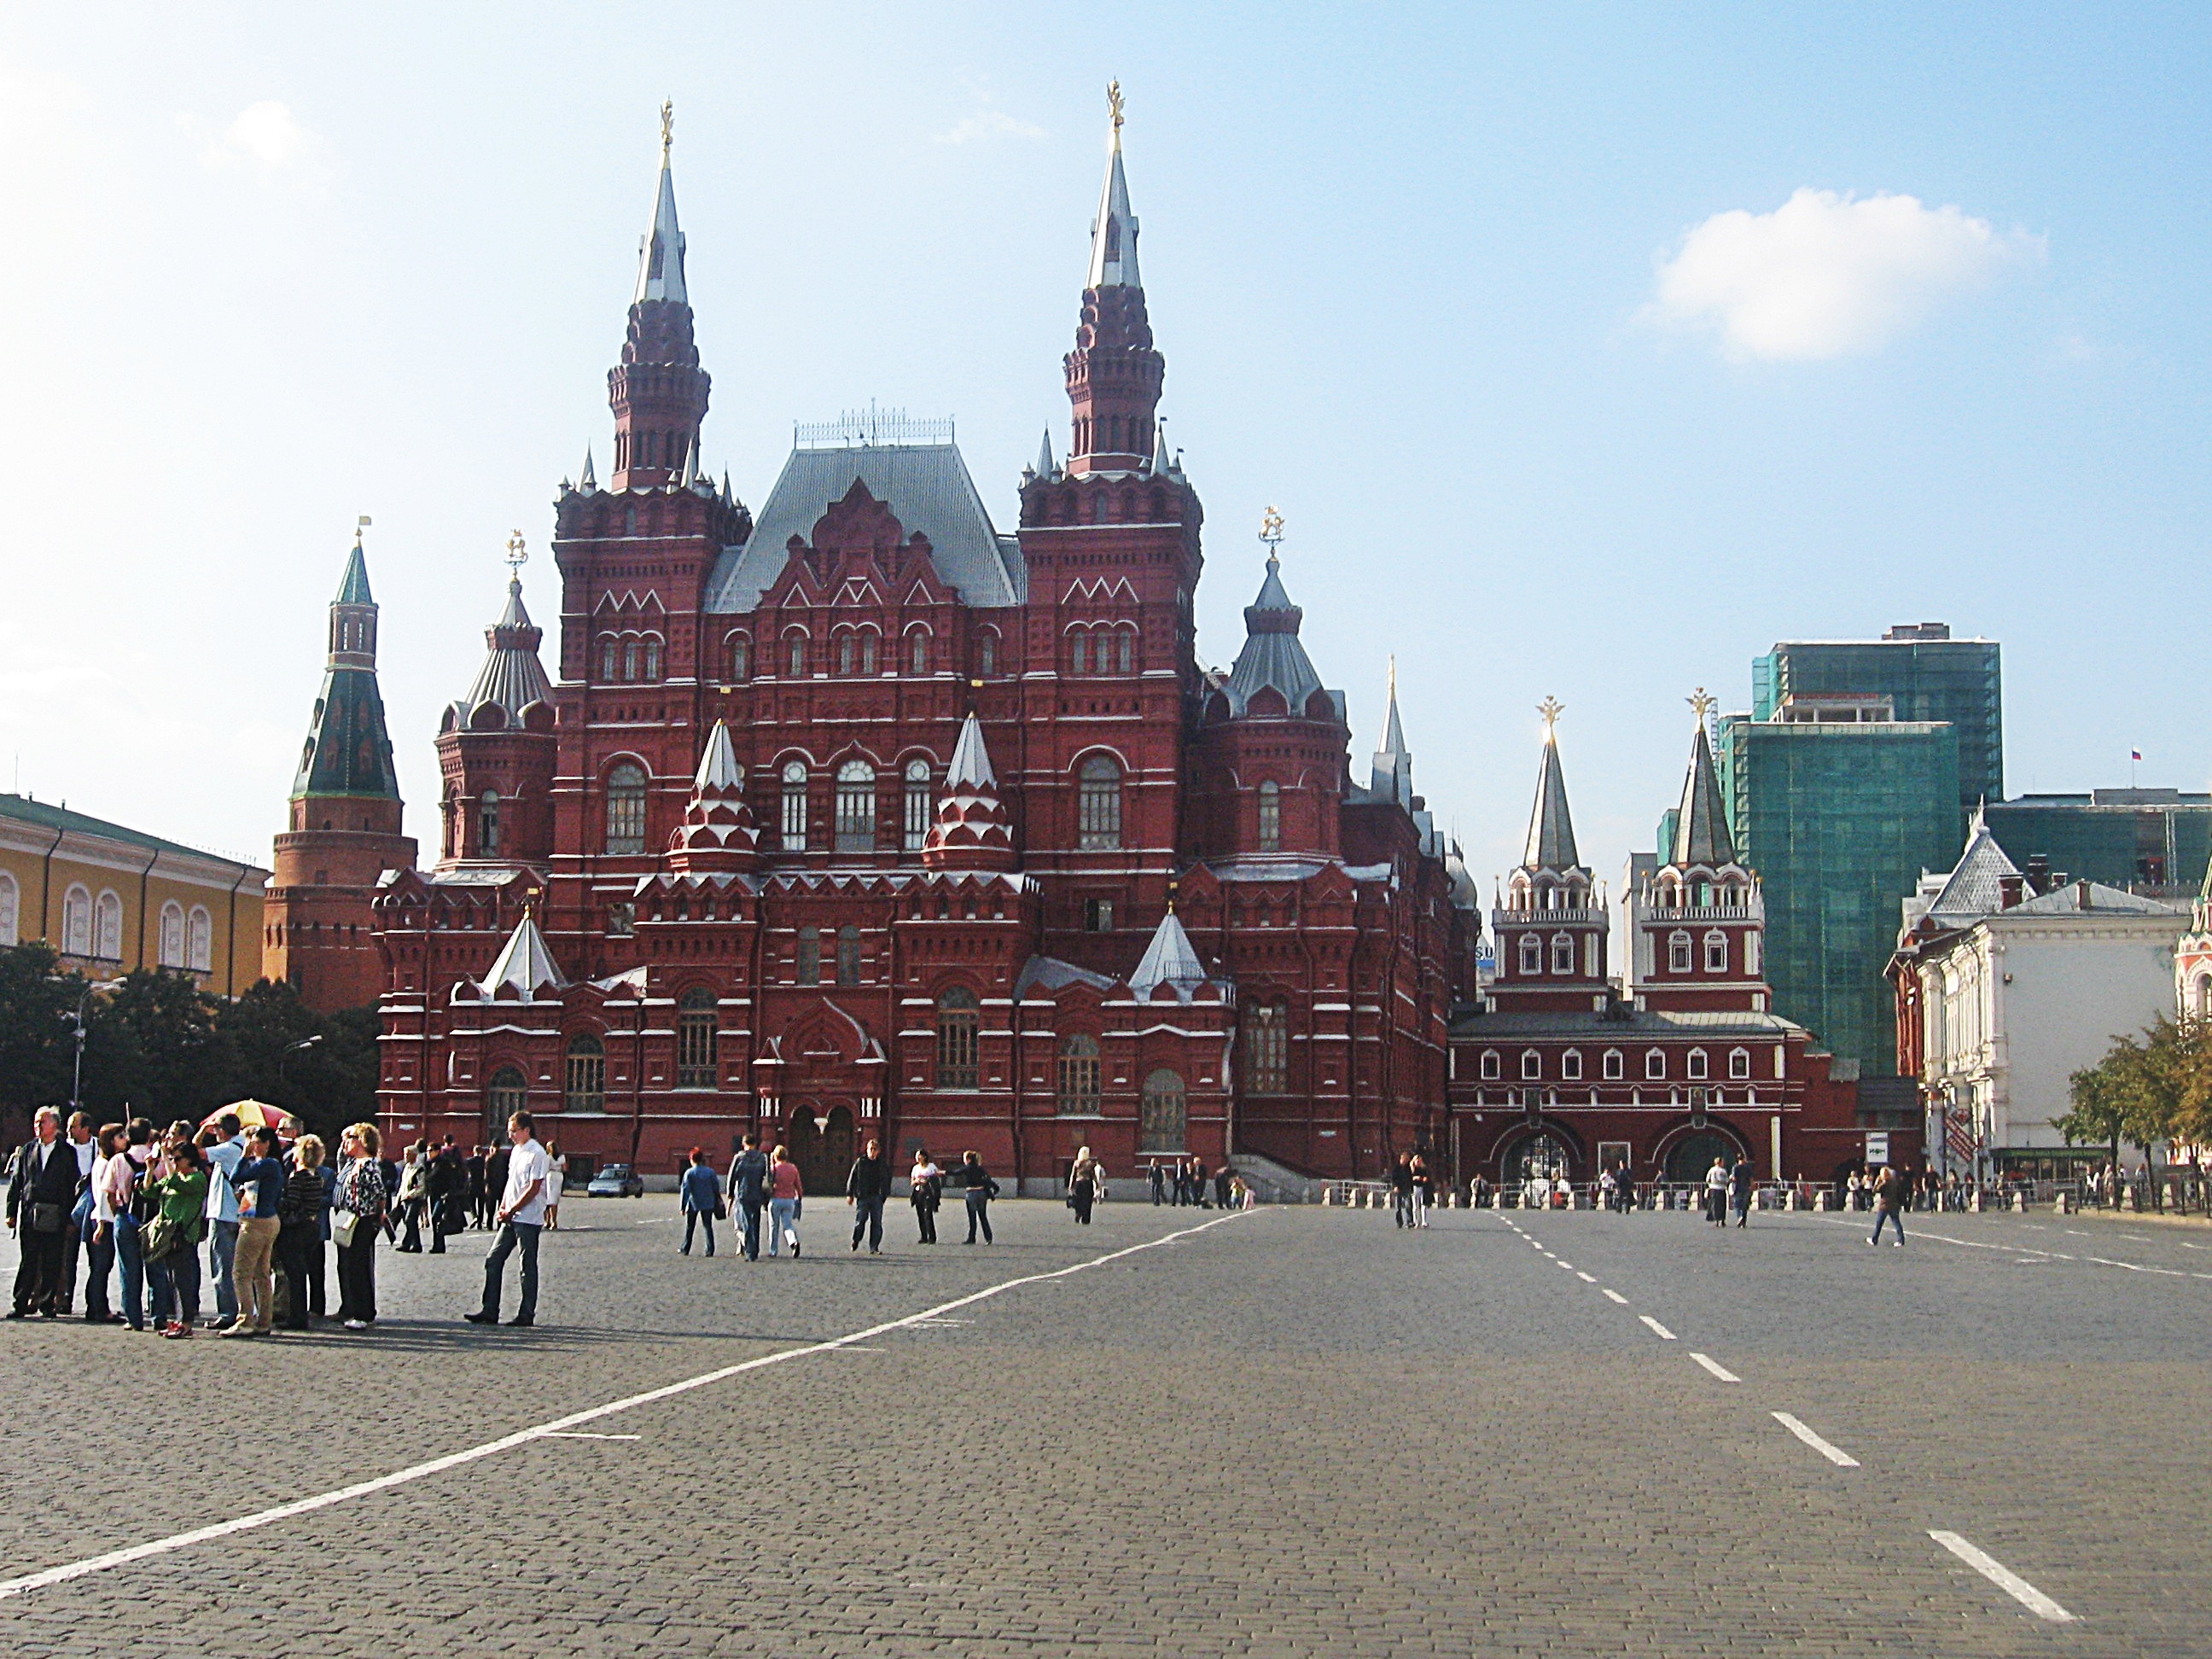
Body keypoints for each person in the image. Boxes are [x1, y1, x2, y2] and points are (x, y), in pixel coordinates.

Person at [468, 1114, 551, 1326]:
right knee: (493, 1260)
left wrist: (512, 1209)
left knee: (527, 1266)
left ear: (527, 1130)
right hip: (511, 1216)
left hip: (529, 1218)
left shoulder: (537, 1153)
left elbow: (534, 1188)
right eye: (509, 1130)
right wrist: (504, 1206)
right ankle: (490, 1310)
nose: (510, 1135)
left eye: (514, 1130)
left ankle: (526, 1314)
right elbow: (511, 1182)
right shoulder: (516, 1151)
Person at [7, 1108, 79, 1318]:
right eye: (36, 1122)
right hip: (30, 1212)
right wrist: (11, 1211)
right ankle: (20, 1302)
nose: (37, 1126)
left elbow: (71, 1186)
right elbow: (17, 1182)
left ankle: (47, 1304)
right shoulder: (27, 1150)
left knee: (52, 1260)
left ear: (54, 1125)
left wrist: (69, 1217)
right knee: (28, 1260)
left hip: (56, 1213)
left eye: (42, 1122)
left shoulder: (66, 1152)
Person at [220, 1126, 284, 1337]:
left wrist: (243, 1156)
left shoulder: (266, 1164)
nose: (253, 1146)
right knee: (261, 1274)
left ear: (266, 1144)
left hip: (256, 1222)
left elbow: (236, 1176)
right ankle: (264, 1321)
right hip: (268, 1219)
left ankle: (245, 1320)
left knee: (241, 1273)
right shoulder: (274, 1165)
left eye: (257, 1142)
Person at [144, 1133, 209, 1340]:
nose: (173, 1162)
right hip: (166, 1234)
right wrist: (149, 1169)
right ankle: (180, 1319)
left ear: (189, 1159)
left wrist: (165, 1157)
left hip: (183, 1236)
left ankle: (187, 1322)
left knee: (183, 1280)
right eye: (173, 1159)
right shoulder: (173, 1179)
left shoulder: (196, 1180)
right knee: (172, 1280)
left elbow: (174, 1182)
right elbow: (148, 1192)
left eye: (177, 1158)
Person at [334, 1123, 388, 1330]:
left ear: (363, 1141)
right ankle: (352, 1308)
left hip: (362, 1219)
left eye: (352, 1137)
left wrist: (377, 1215)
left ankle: (362, 1312)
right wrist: (345, 1135)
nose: (347, 1141)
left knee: (359, 1266)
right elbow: (341, 1157)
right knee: (347, 1265)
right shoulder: (353, 1162)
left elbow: (380, 1193)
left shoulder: (367, 1164)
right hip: (348, 1218)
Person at [277, 1135, 328, 1331]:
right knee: (302, 1273)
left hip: (295, 1229)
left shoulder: (298, 1177)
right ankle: (300, 1313)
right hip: (311, 1227)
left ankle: (296, 1316)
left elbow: (291, 1203)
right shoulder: (317, 1177)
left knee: (294, 1274)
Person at [60, 1111, 95, 1316]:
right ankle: (65, 1298)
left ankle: (95, 1302)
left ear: (86, 1128)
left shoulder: (99, 1148)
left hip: (91, 1207)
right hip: (69, 1206)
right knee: (67, 1257)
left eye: (73, 1126)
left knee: (96, 1259)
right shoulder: (64, 1149)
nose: (68, 1131)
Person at [845, 1136, 892, 1254]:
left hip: (877, 1196)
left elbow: (887, 1179)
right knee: (861, 1220)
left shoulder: (882, 1164)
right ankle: (856, 1239)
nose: (872, 1151)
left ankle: (874, 1247)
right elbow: (853, 1178)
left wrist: (884, 1194)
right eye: (870, 1149)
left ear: (878, 1151)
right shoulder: (861, 1162)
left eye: (875, 1149)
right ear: (866, 1149)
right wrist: (850, 1194)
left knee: (877, 1223)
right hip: (863, 1196)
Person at [728, 1134, 770, 1261]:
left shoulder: (739, 1157)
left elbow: (732, 1176)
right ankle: (755, 1250)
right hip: (757, 1194)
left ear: (744, 1143)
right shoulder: (763, 1157)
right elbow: (768, 1176)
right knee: (756, 1221)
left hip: (743, 1193)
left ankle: (750, 1252)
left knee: (746, 1222)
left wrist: (730, 1193)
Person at [679, 1148, 721, 1257]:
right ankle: (710, 1249)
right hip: (708, 1202)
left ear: (691, 1159)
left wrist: (683, 1206)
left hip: (693, 1202)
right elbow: (716, 1187)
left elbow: (686, 1190)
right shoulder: (710, 1172)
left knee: (690, 1227)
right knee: (708, 1226)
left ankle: (685, 1248)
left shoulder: (689, 1173)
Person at [766, 1144, 802, 1259]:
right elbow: (798, 1185)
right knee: (788, 1225)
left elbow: (768, 1182)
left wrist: (771, 1162)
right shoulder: (793, 1168)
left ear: (775, 1156)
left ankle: (773, 1251)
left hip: (776, 1199)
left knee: (774, 1226)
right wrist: (799, 1197)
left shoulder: (774, 1168)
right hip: (789, 1200)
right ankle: (793, 1242)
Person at [394, 1144, 428, 1253]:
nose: (405, 1156)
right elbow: (403, 1184)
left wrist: (411, 1194)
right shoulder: (406, 1167)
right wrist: (398, 1199)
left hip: (416, 1199)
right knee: (407, 1221)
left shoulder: (419, 1168)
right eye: (404, 1154)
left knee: (410, 1219)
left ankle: (416, 1245)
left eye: (407, 1154)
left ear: (414, 1155)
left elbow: (421, 1186)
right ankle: (408, 1243)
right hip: (405, 1198)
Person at [961, 1150, 997, 1243]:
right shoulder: (980, 1169)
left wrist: (942, 1172)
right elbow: (988, 1179)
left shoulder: (967, 1168)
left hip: (971, 1193)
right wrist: (993, 1190)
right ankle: (988, 1238)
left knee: (972, 1218)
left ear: (968, 1159)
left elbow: (954, 1172)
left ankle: (972, 1238)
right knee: (983, 1216)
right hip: (981, 1193)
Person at [1869, 1164, 1907, 1246]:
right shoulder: (1894, 1182)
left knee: (1879, 1223)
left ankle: (1874, 1239)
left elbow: (1875, 1190)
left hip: (1885, 1205)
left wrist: (1877, 1182)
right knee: (1896, 1222)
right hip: (1894, 1205)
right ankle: (1901, 1240)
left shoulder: (1884, 1183)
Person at [909, 1147, 941, 1244]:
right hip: (918, 1192)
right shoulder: (915, 1168)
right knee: (920, 1214)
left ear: (924, 1156)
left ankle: (932, 1236)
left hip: (928, 1192)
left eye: (920, 1156)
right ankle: (924, 1236)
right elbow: (912, 1182)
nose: (918, 1158)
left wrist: (928, 1180)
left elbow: (936, 1179)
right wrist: (916, 1181)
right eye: (916, 1156)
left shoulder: (931, 1166)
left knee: (928, 1214)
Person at [1068, 1145, 1100, 1225]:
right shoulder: (1090, 1163)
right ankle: (1086, 1219)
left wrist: (1071, 1186)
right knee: (1087, 1201)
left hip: (1079, 1183)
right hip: (1087, 1183)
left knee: (1078, 1200)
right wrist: (1097, 1185)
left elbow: (1073, 1175)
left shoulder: (1077, 1163)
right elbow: (1094, 1176)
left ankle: (1078, 1213)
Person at [464, 1145, 488, 1230]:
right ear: (481, 1152)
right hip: (481, 1183)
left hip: (472, 1183)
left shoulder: (469, 1161)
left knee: (472, 1203)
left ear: (474, 1152)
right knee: (481, 1204)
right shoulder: (484, 1161)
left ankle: (475, 1216)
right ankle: (480, 1223)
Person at [1389, 1154, 1416, 1229]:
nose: (1407, 1161)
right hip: (1398, 1189)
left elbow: (1411, 1177)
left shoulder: (1408, 1168)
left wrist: (1411, 1187)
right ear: (1402, 1159)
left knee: (1408, 1205)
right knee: (1398, 1207)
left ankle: (1409, 1221)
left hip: (1406, 1188)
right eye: (1406, 1160)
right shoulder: (1396, 1168)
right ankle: (1399, 1222)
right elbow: (1393, 1178)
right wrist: (1395, 1186)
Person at [544, 1142, 566, 1231]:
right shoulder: (562, 1157)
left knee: (548, 1199)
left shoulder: (548, 1157)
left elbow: (545, 1169)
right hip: (559, 1176)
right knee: (554, 1200)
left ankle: (549, 1221)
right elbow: (565, 1168)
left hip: (550, 1176)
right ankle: (552, 1221)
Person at [1703, 1156, 1730, 1228]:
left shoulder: (1711, 1170)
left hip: (1713, 1189)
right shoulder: (1723, 1171)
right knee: (1722, 1205)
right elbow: (1726, 1180)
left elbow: (1707, 1179)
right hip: (1721, 1189)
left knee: (1714, 1205)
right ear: (1720, 1162)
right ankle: (1722, 1220)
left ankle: (1716, 1220)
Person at [1729, 1155, 1754, 1229]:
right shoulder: (1747, 1167)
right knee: (1744, 1205)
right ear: (1744, 1159)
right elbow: (1751, 1178)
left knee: (1738, 1204)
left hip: (1738, 1188)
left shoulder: (1735, 1167)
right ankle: (1743, 1221)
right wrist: (1751, 1186)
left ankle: (1740, 1217)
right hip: (1746, 1188)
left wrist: (1731, 1179)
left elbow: (1734, 1178)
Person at [1409, 1150, 1431, 1228]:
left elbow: (1427, 1176)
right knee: (1415, 1206)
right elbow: (1407, 1178)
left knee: (1423, 1205)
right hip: (1414, 1187)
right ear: (1414, 1161)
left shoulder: (1423, 1168)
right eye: (1417, 1161)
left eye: (1419, 1161)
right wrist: (1414, 1177)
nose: (1418, 1162)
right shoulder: (1411, 1169)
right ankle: (1416, 1221)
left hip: (1422, 1187)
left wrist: (1425, 1178)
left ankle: (1424, 1221)